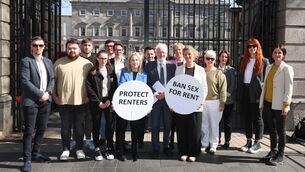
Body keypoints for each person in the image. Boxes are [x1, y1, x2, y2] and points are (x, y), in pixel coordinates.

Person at [53, 38, 93, 161]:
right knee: (65, 127)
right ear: (66, 49)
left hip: (81, 101)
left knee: (79, 127)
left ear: (79, 49)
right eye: (69, 48)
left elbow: (92, 84)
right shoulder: (58, 63)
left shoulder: (87, 64)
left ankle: (79, 149)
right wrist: (55, 97)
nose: (72, 50)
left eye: (74, 48)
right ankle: (65, 149)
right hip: (63, 101)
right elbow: (52, 82)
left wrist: (89, 97)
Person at [20, 36, 55, 172]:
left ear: (44, 47)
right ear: (31, 46)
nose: (38, 48)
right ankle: (27, 160)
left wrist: (48, 92)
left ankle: (36, 153)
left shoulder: (48, 61)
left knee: (42, 128)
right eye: (35, 45)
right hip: (31, 102)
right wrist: (40, 94)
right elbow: (25, 81)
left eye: (40, 45)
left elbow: (52, 79)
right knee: (29, 131)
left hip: (46, 100)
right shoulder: (26, 61)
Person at [259, 44, 294, 166]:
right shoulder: (269, 67)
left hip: (280, 104)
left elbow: (289, 89)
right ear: (272, 54)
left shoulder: (287, 68)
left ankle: (280, 154)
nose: (277, 54)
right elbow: (265, 86)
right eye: (275, 52)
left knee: (281, 130)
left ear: (283, 55)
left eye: (280, 53)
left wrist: (286, 105)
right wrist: (262, 102)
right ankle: (273, 151)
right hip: (268, 103)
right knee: (272, 129)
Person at [174, 45, 208, 162]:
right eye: (185, 54)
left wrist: (200, 102)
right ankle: (183, 152)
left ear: (194, 55)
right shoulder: (179, 69)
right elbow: (176, 86)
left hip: (196, 106)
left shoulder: (201, 70)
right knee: (182, 129)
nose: (187, 56)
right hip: (181, 106)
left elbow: (204, 88)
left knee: (194, 130)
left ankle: (193, 153)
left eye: (190, 54)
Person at [237, 38, 269, 154]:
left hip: (256, 92)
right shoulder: (243, 60)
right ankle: (249, 141)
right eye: (249, 46)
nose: (252, 48)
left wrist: (262, 91)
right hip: (245, 90)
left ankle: (258, 142)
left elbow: (266, 79)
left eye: (254, 46)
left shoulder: (264, 61)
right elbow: (240, 77)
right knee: (247, 117)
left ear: (258, 47)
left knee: (257, 118)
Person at [145, 43, 176, 158]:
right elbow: (146, 82)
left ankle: (166, 147)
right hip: (155, 100)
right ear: (156, 53)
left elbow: (175, 84)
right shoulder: (149, 66)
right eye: (159, 52)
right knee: (155, 125)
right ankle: (155, 148)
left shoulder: (172, 66)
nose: (161, 54)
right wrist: (154, 93)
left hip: (168, 100)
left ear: (166, 54)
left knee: (168, 125)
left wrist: (166, 93)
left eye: (163, 52)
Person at [86, 50, 117, 161]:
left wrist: (110, 100)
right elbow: (89, 88)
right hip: (96, 102)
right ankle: (97, 148)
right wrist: (98, 102)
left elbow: (114, 87)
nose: (103, 60)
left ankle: (108, 148)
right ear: (97, 58)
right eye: (101, 58)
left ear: (107, 59)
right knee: (96, 125)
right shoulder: (92, 71)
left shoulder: (111, 71)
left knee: (109, 125)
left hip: (108, 101)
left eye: (105, 58)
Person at [116, 52, 147, 161]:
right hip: (124, 106)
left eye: (137, 60)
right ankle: (120, 152)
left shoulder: (144, 74)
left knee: (135, 130)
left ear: (140, 62)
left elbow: (145, 90)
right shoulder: (124, 72)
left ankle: (135, 151)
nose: (135, 62)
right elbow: (121, 86)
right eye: (132, 60)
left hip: (136, 107)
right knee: (121, 129)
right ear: (129, 61)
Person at [201, 50, 227, 154]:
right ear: (204, 59)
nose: (210, 60)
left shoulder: (219, 73)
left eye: (212, 59)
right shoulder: (201, 71)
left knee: (214, 124)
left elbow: (223, 90)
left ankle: (213, 145)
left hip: (215, 102)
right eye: (208, 58)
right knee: (204, 124)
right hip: (203, 102)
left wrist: (222, 103)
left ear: (215, 60)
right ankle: (204, 143)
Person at [217, 50, 236, 149]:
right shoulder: (215, 69)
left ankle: (227, 141)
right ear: (219, 57)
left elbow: (233, 84)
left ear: (228, 59)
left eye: (226, 57)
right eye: (222, 56)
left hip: (228, 100)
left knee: (227, 121)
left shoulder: (231, 70)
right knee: (217, 121)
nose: (223, 58)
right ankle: (217, 139)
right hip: (216, 100)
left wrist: (225, 95)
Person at [138, 46, 156, 149]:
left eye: (152, 54)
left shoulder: (158, 64)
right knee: (143, 117)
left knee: (154, 117)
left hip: (156, 94)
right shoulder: (141, 65)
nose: (150, 56)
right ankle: (140, 140)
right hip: (144, 94)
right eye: (148, 54)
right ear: (145, 55)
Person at [169, 42, 185, 150]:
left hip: (184, 96)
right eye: (176, 50)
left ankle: (182, 142)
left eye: (180, 50)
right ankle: (171, 141)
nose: (178, 52)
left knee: (182, 121)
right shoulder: (170, 63)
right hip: (172, 95)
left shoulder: (188, 63)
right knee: (172, 121)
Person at [81, 38, 96, 150]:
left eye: (89, 45)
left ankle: (88, 139)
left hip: (92, 93)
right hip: (79, 92)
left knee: (90, 119)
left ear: (92, 46)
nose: (87, 47)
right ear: (82, 46)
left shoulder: (96, 58)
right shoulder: (77, 57)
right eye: (85, 45)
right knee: (78, 118)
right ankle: (77, 140)